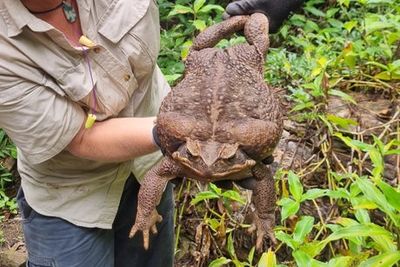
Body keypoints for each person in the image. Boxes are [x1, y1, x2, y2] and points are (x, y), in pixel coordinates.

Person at [0, 0, 303, 266]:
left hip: (155, 158)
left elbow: (262, 177)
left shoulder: (238, 71)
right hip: (72, 196)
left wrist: (260, 11)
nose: (208, 166)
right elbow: (79, 137)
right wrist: (176, 138)